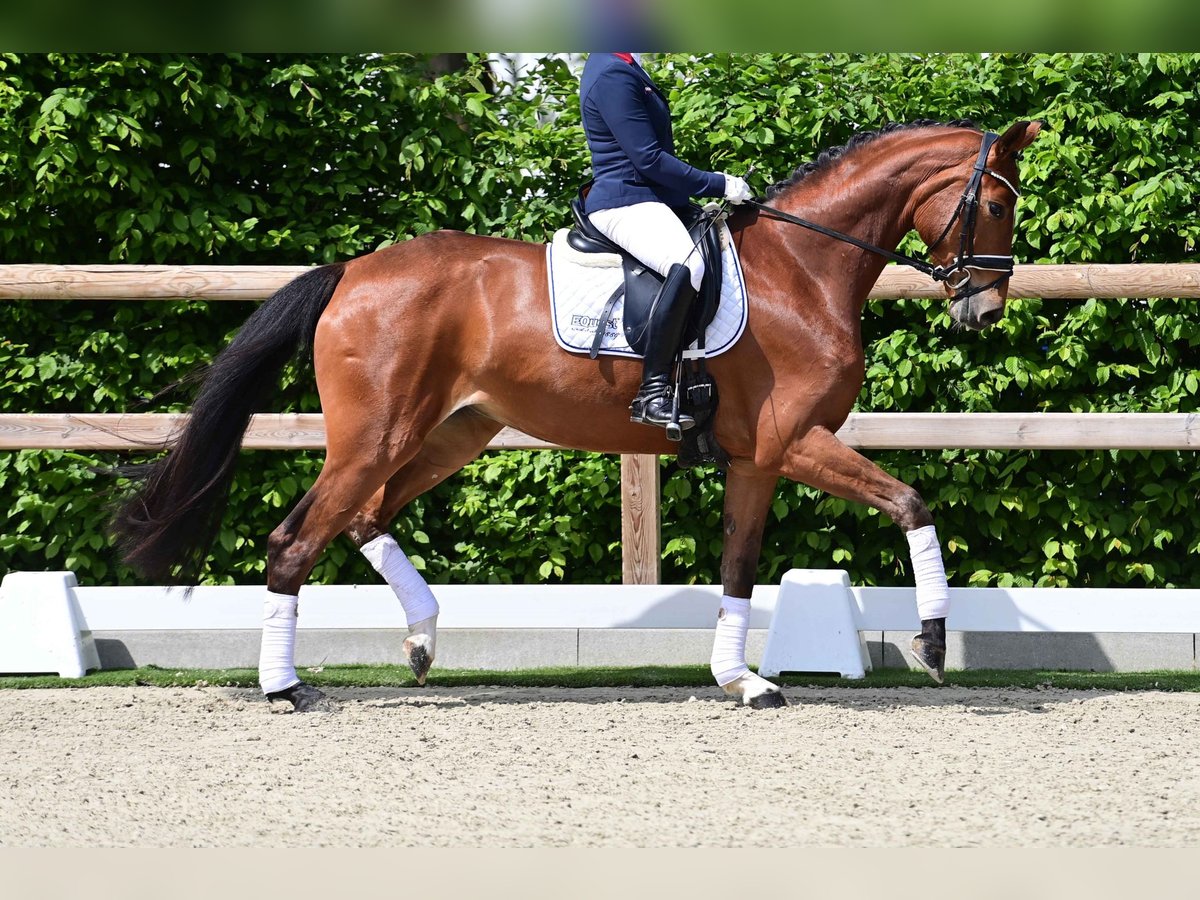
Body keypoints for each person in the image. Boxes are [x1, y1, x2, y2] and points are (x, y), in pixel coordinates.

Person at [579, 52, 752, 433]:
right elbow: (650, 159)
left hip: (651, 198)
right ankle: (652, 391)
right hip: (625, 199)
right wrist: (719, 182)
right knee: (687, 262)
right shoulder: (612, 72)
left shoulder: (625, 65)